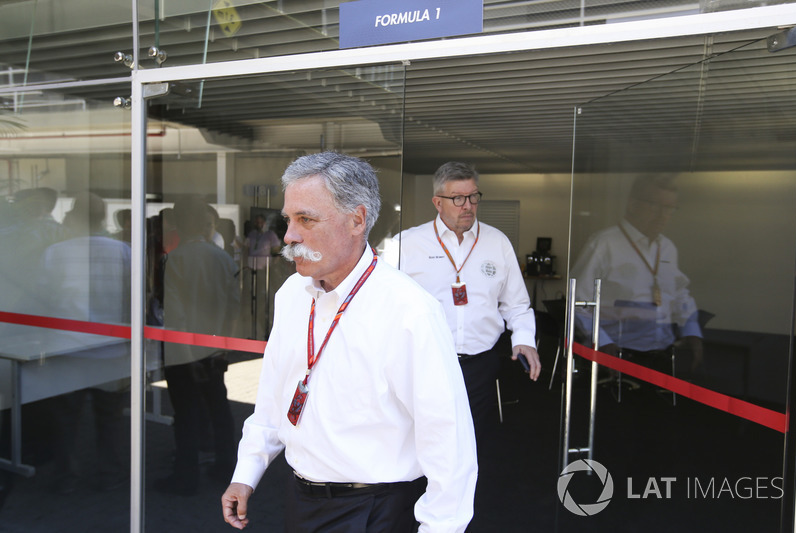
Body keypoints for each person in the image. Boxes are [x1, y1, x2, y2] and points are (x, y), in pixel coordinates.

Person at [221, 152, 477, 532]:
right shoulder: (292, 294)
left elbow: (447, 440)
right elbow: (274, 396)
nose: (289, 235)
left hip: (375, 510)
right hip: (299, 498)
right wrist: (247, 471)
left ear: (357, 220)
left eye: (306, 219)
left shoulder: (409, 311)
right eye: (289, 219)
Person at [383, 161, 541, 451]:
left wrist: (524, 339)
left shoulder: (497, 243)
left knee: (468, 445)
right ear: (437, 203)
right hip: (423, 363)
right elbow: (381, 302)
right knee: (419, 443)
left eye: (473, 197)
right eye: (457, 198)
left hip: (479, 364)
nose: (467, 205)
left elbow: (517, 304)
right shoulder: (407, 244)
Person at [35, 191, 131, 493]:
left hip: (68, 349)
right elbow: (133, 299)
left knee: (66, 420)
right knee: (111, 419)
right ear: (103, 218)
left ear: (74, 216)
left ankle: (66, 477)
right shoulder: (123, 251)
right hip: (113, 351)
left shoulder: (55, 252)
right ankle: (110, 473)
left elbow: (44, 301)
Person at [570, 174, 703, 374]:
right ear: (632, 205)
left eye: (669, 208)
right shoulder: (604, 244)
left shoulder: (667, 248)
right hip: (618, 356)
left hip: (662, 354)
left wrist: (692, 332)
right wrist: (602, 342)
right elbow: (578, 301)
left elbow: (679, 293)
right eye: (654, 205)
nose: (662, 215)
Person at [156, 195, 241, 495]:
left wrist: (189, 356)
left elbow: (175, 314)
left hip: (183, 351)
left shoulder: (174, 259)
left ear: (179, 223)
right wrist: (223, 347)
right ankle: (226, 466)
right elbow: (233, 308)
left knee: (186, 414)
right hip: (216, 347)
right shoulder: (224, 258)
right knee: (218, 407)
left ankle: (186, 475)